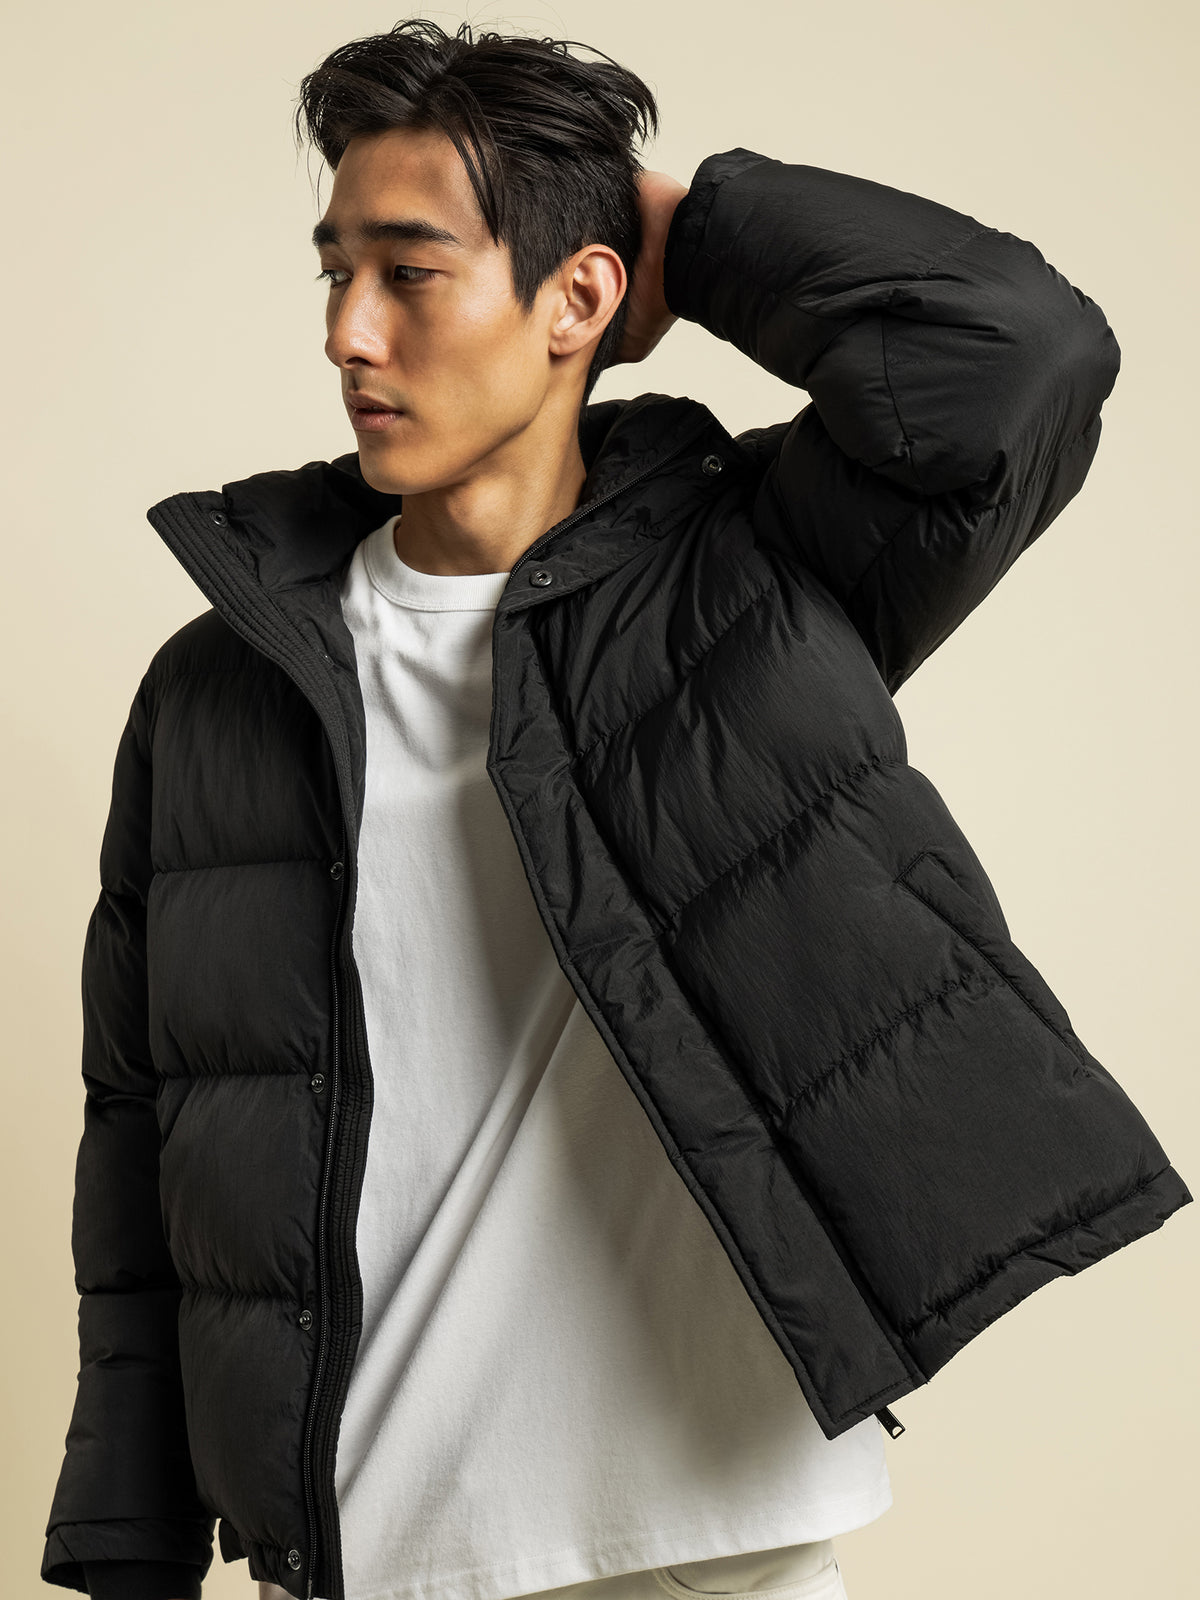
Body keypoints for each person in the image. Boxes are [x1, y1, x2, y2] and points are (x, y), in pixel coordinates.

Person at [40, 16, 1191, 1600]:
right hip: (371, 1542)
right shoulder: (222, 688)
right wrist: (127, 1544)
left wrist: (691, 235)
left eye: (411, 272)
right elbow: (142, 1134)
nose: (351, 334)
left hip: (724, 1534)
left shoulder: (754, 577)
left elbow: (1023, 351)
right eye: (335, 273)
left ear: (577, 298)